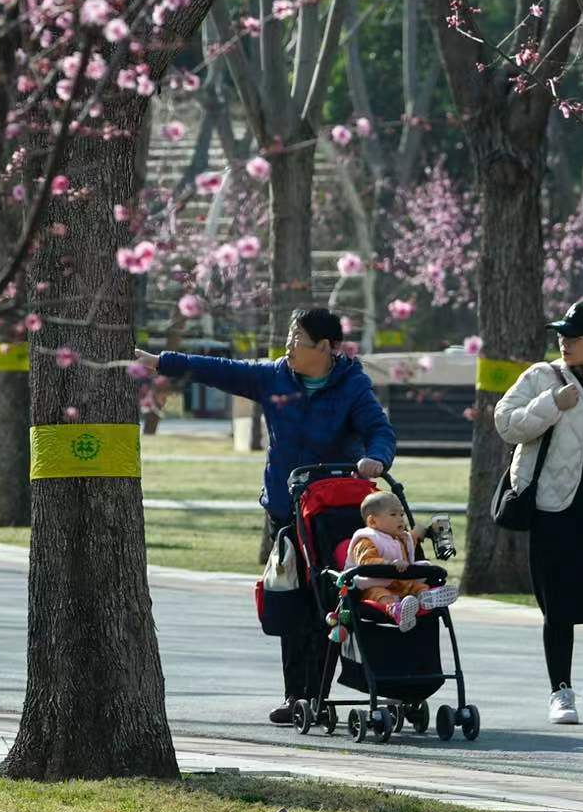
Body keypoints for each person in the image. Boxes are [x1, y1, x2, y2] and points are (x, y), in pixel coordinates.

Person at [140, 305, 397, 723]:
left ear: (327, 348)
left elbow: (379, 431)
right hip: (287, 510)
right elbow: (221, 369)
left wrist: (377, 458)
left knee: (332, 600)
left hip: (334, 513)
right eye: (290, 337)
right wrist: (160, 362)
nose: (289, 346)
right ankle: (298, 696)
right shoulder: (275, 376)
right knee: (292, 601)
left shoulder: (352, 385)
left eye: (299, 339)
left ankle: (323, 691)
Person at [495, 297, 583, 725]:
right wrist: (552, 403)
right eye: (562, 335)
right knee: (559, 606)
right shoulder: (542, 376)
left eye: (574, 336)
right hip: (554, 509)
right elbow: (506, 422)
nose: (564, 342)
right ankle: (560, 692)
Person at [344, 489, 459, 631]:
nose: (400, 519)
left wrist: (426, 529)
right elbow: (365, 561)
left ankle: (425, 597)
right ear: (372, 521)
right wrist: (389, 564)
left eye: (401, 514)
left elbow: (412, 537)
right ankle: (395, 610)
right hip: (374, 585)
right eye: (393, 514)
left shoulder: (399, 537)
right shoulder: (367, 539)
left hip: (401, 584)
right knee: (378, 593)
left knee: (419, 582)